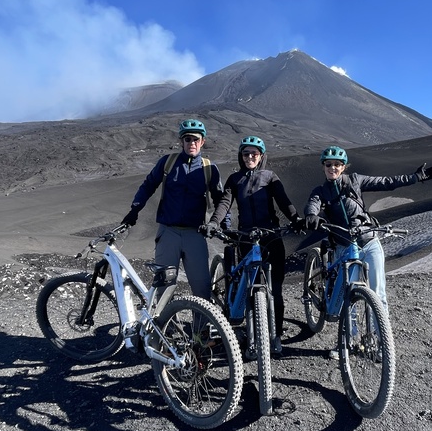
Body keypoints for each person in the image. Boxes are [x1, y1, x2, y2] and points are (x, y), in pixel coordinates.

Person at [303, 145, 432, 314]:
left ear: (343, 166)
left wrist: (416, 177)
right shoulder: (321, 191)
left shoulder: (354, 180)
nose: (333, 168)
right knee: (347, 296)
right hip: (343, 245)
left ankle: (381, 336)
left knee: (378, 293)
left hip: (368, 240)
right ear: (323, 166)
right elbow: (313, 203)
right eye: (329, 164)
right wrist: (311, 215)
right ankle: (350, 337)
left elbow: (386, 183)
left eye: (337, 164)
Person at [205, 135, 302, 355]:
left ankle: (276, 335)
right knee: (252, 288)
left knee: (275, 289)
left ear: (261, 156)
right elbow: (225, 204)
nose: (250, 157)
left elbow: (284, 201)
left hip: (271, 237)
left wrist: (296, 219)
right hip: (247, 239)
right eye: (246, 154)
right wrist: (213, 222)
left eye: (254, 154)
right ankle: (252, 336)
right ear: (241, 156)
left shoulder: (270, 176)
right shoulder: (234, 179)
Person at [121, 119, 223, 300]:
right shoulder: (168, 162)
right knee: (164, 286)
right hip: (168, 233)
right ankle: (163, 327)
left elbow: (221, 200)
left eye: (196, 140)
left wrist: (222, 224)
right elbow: (148, 185)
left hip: (195, 234)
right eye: (188, 139)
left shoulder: (209, 169)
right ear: (181, 141)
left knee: (201, 287)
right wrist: (134, 210)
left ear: (203, 141)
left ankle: (201, 327)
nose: (192, 143)